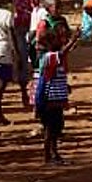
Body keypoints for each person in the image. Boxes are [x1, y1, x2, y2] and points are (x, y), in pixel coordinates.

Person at [34, 23, 80, 165]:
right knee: (50, 129)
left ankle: (54, 154)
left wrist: (64, 86)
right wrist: (73, 40)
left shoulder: (51, 58)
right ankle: (48, 156)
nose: (59, 42)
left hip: (55, 100)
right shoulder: (48, 57)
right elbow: (62, 53)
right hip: (50, 101)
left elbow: (55, 76)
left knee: (56, 128)